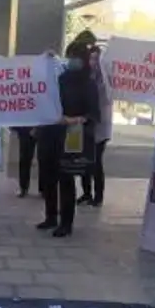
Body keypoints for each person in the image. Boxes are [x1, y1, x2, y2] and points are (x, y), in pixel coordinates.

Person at [37, 40, 101, 237]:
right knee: (48, 176)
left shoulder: (89, 84)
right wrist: (46, 61)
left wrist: (75, 120)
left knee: (65, 178)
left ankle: (66, 222)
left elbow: (94, 114)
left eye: (76, 57)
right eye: (70, 56)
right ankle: (50, 216)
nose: (72, 60)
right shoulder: (61, 78)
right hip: (50, 132)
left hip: (72, 135)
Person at [78, 43, 112, 207]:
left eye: (97, 59)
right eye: (91, 58)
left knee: (96, 162)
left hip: (100, 126)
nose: (93, 62)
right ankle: (86, 193)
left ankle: (98, 196)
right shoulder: (84, 77)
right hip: (85, 125)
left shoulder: (105, 81)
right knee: (84, 161)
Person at [14, 126, 41, 197]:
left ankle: (44, 189)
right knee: (24, 160)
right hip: (25, 130)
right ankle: (23, 188)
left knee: (44, 159)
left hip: (42, 128)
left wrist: (37, 128)